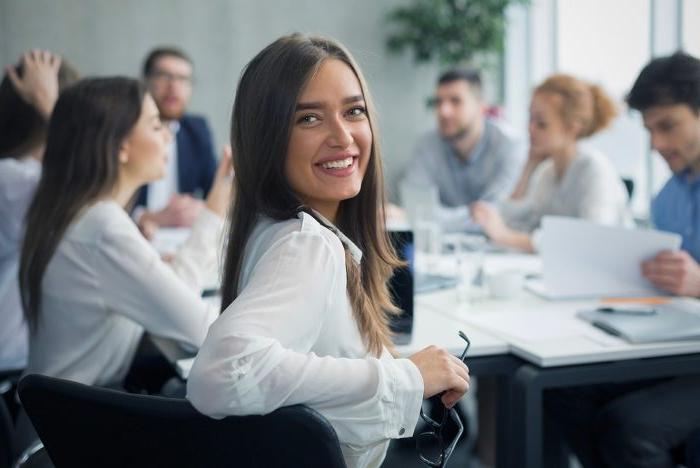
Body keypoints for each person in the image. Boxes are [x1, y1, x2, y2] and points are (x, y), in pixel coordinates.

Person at [186, 34, 470, 468]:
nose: (343, 137)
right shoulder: (307, 244)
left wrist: (396, 365)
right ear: (268, 137)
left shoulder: (273, 228)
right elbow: (220, 374)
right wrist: (405, 377)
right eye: (309, 119)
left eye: (354, 111)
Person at [19, 77, 232, 387]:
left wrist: (214, 209)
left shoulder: (76, 214)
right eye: (156, 126)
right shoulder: (103, 227)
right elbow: (203, 330)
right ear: (121, 146)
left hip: (55, 417)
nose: (168, 139)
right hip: (72, 427)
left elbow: (171, 300)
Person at [546, 52, 700, 468]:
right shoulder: (669, 198)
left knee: (629, 425)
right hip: (681, 349)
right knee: (562, 392)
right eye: (650, 130)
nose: (657, 145)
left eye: (668, 126)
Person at [471, 74, 630, 252]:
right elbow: (514, 224)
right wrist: (529, 166)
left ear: (572, 128)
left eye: (541, 123)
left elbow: (592, 241)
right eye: (530, 119)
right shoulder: (548, 173)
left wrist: (505, 236)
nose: (530, 129)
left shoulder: (595, 170)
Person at [0, 50, 79, 372]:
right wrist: (50, 102)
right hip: (16, 358)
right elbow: (88, 173)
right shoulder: (13, 178)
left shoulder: (30, 175)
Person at [401, 68, 525, 232]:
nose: (444, 111)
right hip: (440, 251)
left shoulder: (509, 145)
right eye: (439, 102)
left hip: (500, 252)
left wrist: (431, 218)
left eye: (455, 101)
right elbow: (416, 208)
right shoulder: (426, 145)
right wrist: (471, 215)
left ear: (481, 106)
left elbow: (498, 215)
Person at [133, 47, 219, 236]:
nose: (174, 87)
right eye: (164, 76)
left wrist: (198, 208)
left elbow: (213, 191)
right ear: (145, 82)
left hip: (181, 237)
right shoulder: (126, 129)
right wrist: (145, 218)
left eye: (183, 79)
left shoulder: (197, 130)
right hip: (137, 234)